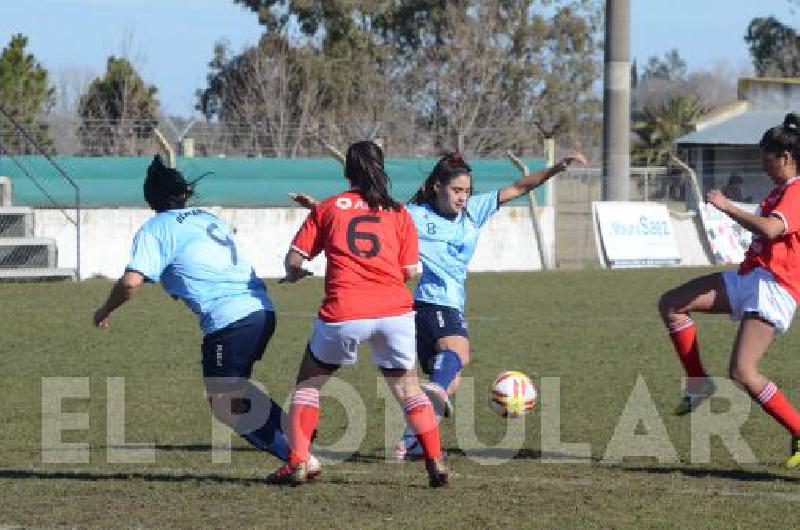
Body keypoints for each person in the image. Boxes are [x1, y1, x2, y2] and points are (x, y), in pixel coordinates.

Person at [92, 155, 318, 476]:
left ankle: (298, 457)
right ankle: (295, 430)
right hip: (262, 310)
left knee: (224, 403)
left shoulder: (156, 228)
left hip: (230, 321)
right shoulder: (209, 218)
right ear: (183, 194)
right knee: (234, 386)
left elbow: (130, 283)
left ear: (150, 198)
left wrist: (104, 310)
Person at [267, 140, 448, 487]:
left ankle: (298, 461)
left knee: (308, 385)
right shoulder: (399, 213)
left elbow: (294, 260)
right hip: (394, 312)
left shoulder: (329, 208)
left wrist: (294, 274)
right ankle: (436, 461)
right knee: (409, 390)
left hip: (344, 311)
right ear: (382, 168)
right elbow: (411, 271)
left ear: (347, 170)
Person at [394, 150, 588, 458]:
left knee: (451, 375)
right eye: (456, 190)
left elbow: (519, 187)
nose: (462, 197)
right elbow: (372, 219)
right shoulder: (413, 215)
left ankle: (411, 439)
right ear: (437, 186)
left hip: (446, 305)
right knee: (458, 351)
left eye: (466, 191)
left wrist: (557, 168)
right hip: (427, 301)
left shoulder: (474, 210)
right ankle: (437, 392)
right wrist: (324, 212)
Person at [658, 112, 800, 468]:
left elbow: (770, 230)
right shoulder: (781, 189)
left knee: (742, 372)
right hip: (751, 277)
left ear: (786, 157)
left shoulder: (798, 191)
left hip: (775, 288)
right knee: (673, 303)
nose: (763, 164)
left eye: (767, 158)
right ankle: (697, 382)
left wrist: (727, 207)